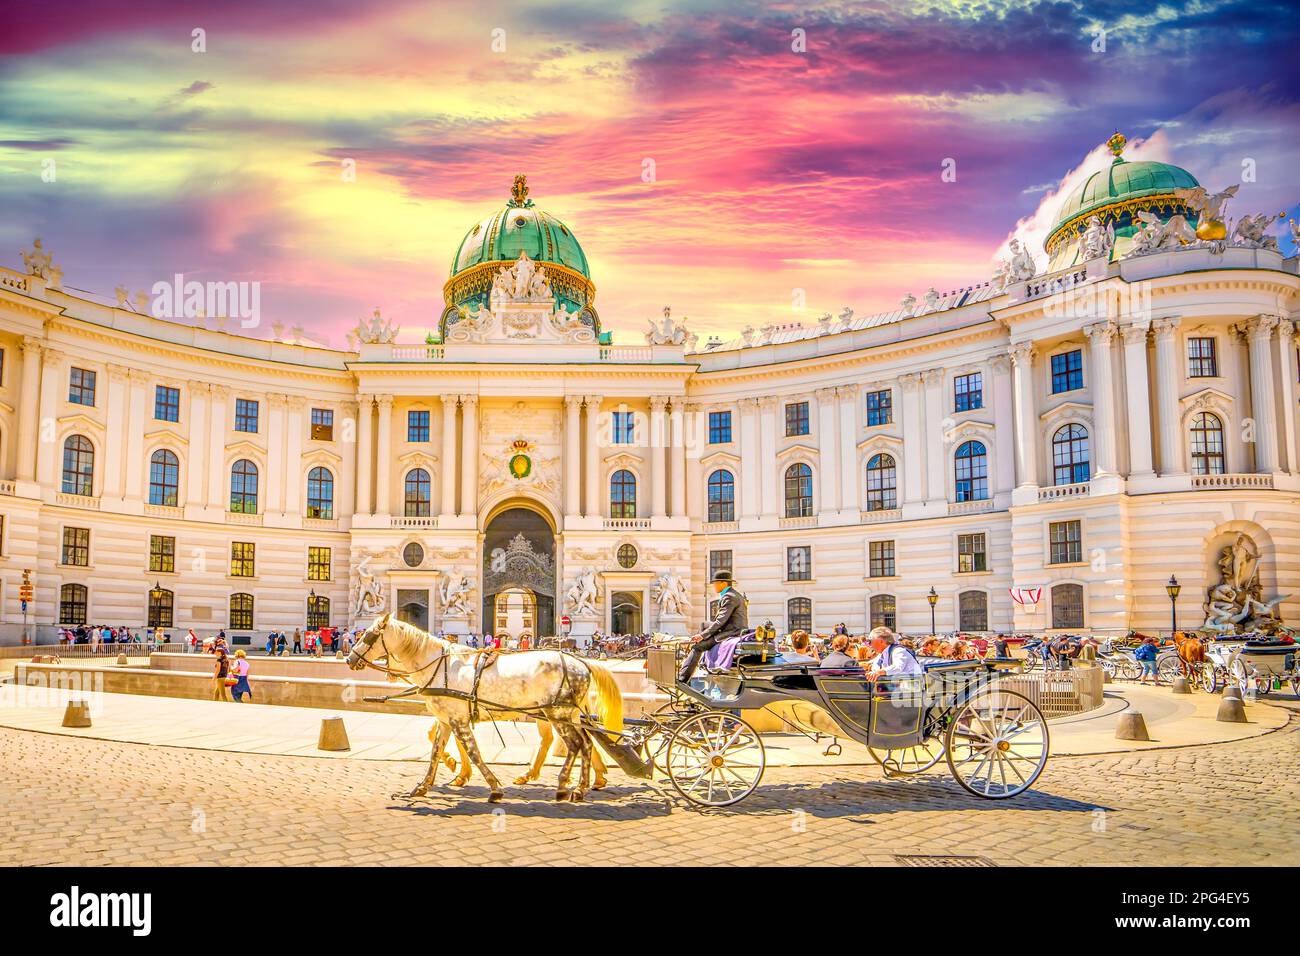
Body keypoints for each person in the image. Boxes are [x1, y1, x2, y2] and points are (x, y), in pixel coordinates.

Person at [678, 570, 748, 681]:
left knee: (698, 647)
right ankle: (696, 642)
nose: (714, 586)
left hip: (732, 631)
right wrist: (703, 634)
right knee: (703, 625)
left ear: (723, 584)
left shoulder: (729, 596)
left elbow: (720, 621)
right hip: (732, 628)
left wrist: (702, 636)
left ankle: (682, 678)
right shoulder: (733, 594)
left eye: (715, 583)